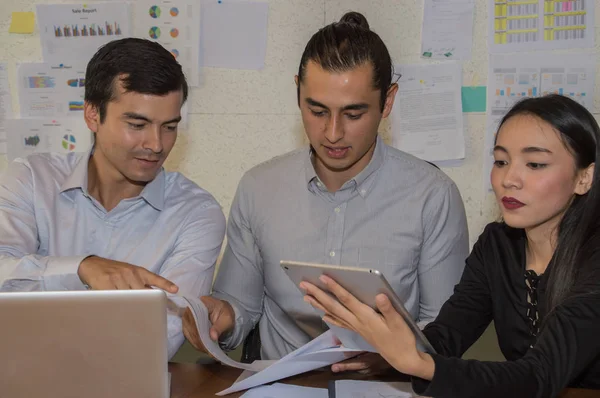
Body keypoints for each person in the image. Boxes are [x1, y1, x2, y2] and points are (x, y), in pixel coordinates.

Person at [183, 11, 468, 373]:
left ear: (389, 101)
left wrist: (391, 357)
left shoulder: (433, 196)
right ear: (297, 92)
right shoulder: (259, 187)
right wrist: (220, 317)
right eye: (317, 110)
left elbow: (445, 330)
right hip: (280, 386)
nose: (332, 133)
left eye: (353, 113)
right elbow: (239, 307)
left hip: (386, 387)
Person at [302, 94, 600, 396]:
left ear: (584, 177)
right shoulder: (497, 245)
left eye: (535, 164)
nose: (509, 178)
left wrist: (419, 364)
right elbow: (446, 337)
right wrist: (387, 354)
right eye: (501, 161)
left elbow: (539, 376)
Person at [0, 38, 226, 359]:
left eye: (169, 127)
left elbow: (160, 338)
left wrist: (39, 309)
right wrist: (82, 268)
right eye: (137, 124)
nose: (157, 144)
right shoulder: (31, 179)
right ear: (92, 114)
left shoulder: (197, 214)